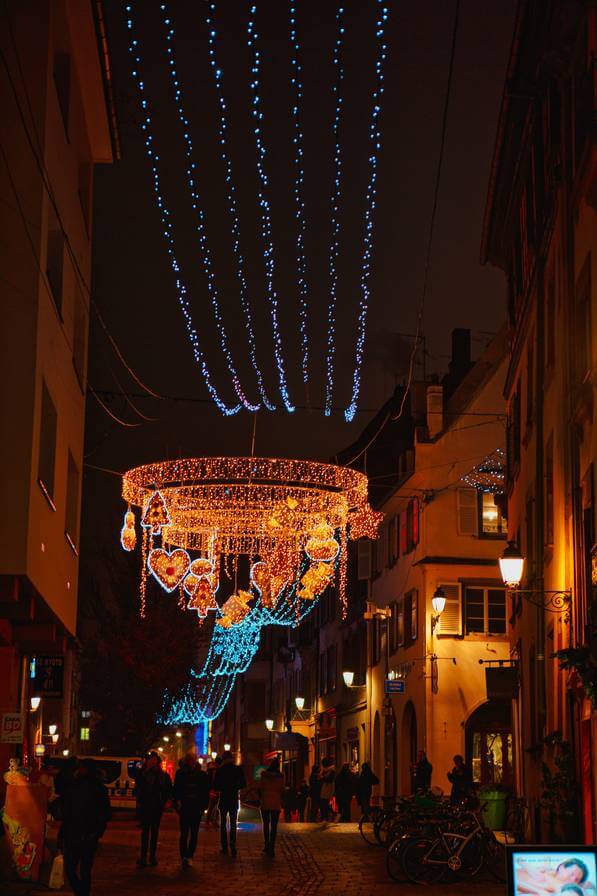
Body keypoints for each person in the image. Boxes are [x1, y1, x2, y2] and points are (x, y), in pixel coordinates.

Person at [61, 759, 110, 896]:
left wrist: (97, 831)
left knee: (81, 868)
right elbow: (68, 811)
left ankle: (82, 891)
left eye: (81, 768)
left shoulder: (96, 788)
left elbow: (104, 812)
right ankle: (82, 891)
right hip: (78, 832)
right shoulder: (75, 785)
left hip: (86, 833)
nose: (79, 770)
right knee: (75, 867)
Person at [134, 751, 172, 866]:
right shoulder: (142, 774)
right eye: (150, 759)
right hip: (145, 805)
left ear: (158, 761)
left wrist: (165, 802)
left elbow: (168, 789)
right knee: (145, 832)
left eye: (154, 759)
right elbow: (138, 789)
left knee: (154, 831)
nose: (152, 761)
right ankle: (143, 856)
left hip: (157, 806)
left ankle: (152, 856)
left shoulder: (163, 775)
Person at [173, 752, 210, 868]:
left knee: (193, 833)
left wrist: (203, 807)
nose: (190, 763)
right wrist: (178, 804)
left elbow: (205, 792)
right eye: (188, 760)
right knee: (185, 833)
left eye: (192, 760)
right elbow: (176, 790)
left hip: (195, 808)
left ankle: (189, 855)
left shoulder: (201, 775)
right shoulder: (180, 774)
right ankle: (184, 856)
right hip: (185, 808)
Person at [213, 750, 246, 856]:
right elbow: (243, 783)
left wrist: (223, 787)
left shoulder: (220, 770)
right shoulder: (237, 769)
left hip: (224, 799)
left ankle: (224, 846)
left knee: (223, 823)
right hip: (233, 798)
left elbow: (216, 786)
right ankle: (232, 844)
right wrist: (235, 787)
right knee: (233, 823)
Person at [257, 757, 285, 857]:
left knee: (266, 824)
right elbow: (282, 789)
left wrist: (261, 798)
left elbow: (260, 788)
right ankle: (272, 847)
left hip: (265, 801)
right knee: (274, 826)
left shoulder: (264, 775)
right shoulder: (280, 776)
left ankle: (266, 845)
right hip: (276, 802)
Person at [205, 757, 221, 828]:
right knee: (215, 806)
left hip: (213, 790)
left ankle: (209, 821)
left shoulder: (211, 770)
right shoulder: (218, 770)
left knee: (212, 806)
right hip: (216, 790)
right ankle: (213, 821)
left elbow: (208, 781)